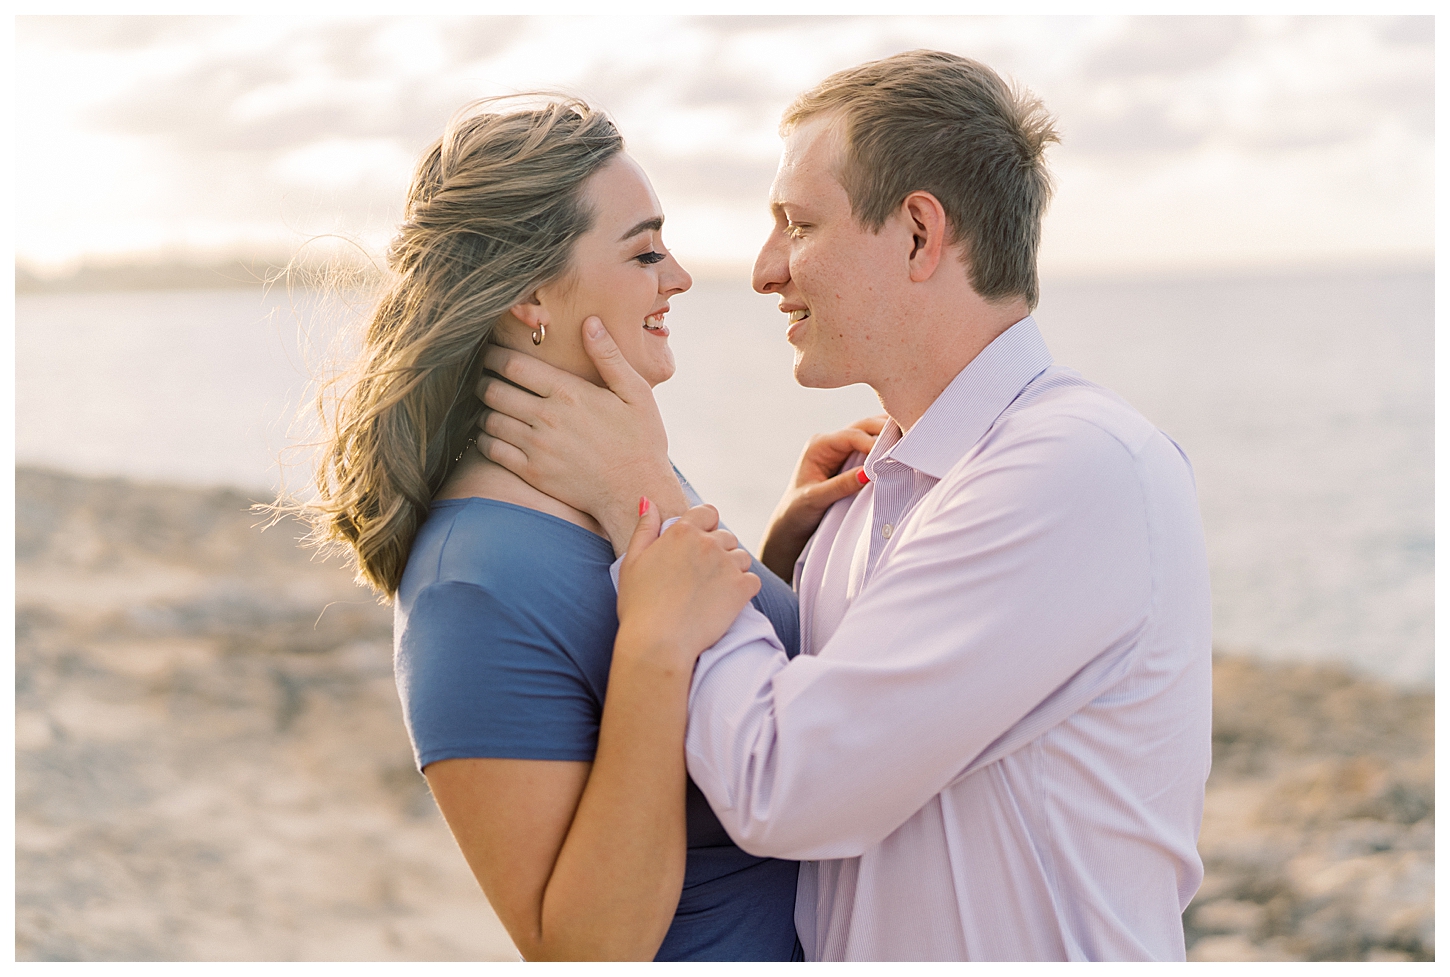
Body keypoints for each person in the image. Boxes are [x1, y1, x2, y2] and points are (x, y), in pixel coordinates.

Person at [472, 51, 1213, 961]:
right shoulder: (866, 506)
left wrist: (646, 490)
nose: (763, 269)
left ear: (916, 234)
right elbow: (832, 716)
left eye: (797, 224)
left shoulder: (1077, 471)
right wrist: (774, 570)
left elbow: (780, 782)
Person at [298, 96, 877, 961]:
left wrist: (775, 565)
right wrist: (654, 643)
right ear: (531, 292)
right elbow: (580, 949)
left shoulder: (616, 461)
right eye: (644, 251)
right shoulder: (472, 583)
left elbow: (714, 716)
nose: (677, 277)